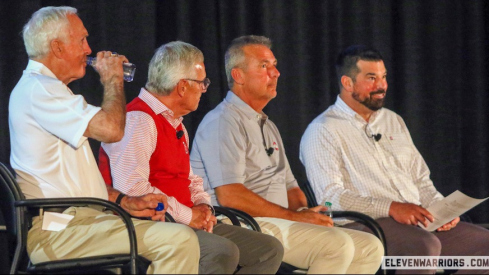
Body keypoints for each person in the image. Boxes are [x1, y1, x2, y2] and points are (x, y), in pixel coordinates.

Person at [9, 6, 200, 274]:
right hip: (60, 230)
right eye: (82, 40)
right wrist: (113, 79)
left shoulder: (51, 92)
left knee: (173, 236)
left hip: (84, 221)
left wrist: (123, 200)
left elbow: (72, 185)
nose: (89, 49)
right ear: (58, 47)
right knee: (178, 240)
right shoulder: (40, 89)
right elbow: (112, 130)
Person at [190, 35, 384, 274]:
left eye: (274, 64)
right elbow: (231, 196)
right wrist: (295, 217)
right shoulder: (222, 122)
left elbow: (290, 186)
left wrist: (304, 211)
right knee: (337, 245)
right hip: (241, 223)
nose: (276, 73)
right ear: (238, 76)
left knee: (370, 246)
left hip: (279, 221)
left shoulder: (267, 125)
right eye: (264, 66)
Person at [299, 45, 489, 274]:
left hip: (417, 222)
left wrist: (441, 211)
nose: (382, 86)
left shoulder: (393, 121)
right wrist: (390, 208)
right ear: (348, 83)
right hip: (363, 225)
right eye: (371, 78)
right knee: (422, 247)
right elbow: (330, 199)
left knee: (484, 246)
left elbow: (421, 180)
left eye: (384, 77)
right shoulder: (322, 130)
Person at [98, 41, 284, 274]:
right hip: (149, 224)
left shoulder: (175, 123)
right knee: (221, 251)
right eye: (202, 82)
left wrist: (203, 207)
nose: (204, 89)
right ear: (183, 87)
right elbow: (133, 189)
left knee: (267, 249)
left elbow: (190, 179)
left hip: (182, 220)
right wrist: (189, 216)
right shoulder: (139, 119)